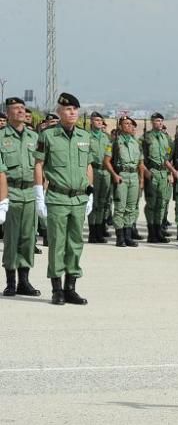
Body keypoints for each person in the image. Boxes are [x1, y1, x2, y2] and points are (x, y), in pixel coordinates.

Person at [34, 92, 93, 305]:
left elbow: (88, 166)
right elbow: (39, 164)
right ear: (59, 112)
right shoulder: (48, 136)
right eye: (68, 109)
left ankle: (71, 288)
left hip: (78, 199)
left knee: (76, 243)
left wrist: (90, 193)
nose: (72, 112)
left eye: (75, 109)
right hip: (57, 197)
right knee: (57, 243)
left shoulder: (84, 137)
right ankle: (56, 289)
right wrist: (39, 194)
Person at [0, 96, 41, 297]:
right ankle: (10, 282)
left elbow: (41, 167)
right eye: (16, 109)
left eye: (23, 108)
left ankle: (24, 280)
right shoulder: (1, 137)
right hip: (12, 192)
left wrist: (41, 193)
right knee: (11, 238)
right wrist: (2, 199)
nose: (21, 112)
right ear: (8, 114)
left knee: (28, 237)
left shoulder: (34, 138)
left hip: (30, 194)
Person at [105, 116, 144, 248]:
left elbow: (140, 163)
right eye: (125, 124)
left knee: (131, 207)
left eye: (130, 124)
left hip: (133, 176)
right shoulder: (114, 142)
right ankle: (120, 237)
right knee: (120, 207)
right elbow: (106, 161)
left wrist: (141, 178)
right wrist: (114, 175)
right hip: (121, 175)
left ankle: (128, 236)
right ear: (120, 126)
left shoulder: (136, 143)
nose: (128, 126)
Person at [142, 113, 174, 243]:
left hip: (164, 173)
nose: (159, 123)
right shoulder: (146, 138)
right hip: (153, 172)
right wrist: (145, 172)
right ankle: (151, 233)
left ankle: (159, 230)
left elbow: (170, 156)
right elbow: (141, 157)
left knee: (162, 204)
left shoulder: (166, 138)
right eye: (156, 121)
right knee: (152, 204)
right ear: (152, 122)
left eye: (161, 121)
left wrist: (170, 173)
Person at [87, 112, 113, 243]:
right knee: (94, 202)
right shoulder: (86, 136)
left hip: (105, 172)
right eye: (96, 120)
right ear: (91, 121)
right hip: (93, 170)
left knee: (103, 202)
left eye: (100, 120)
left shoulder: (106, 137)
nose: (99, 122)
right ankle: (92, 233)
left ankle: (100, 230)